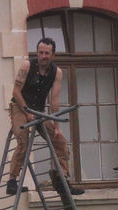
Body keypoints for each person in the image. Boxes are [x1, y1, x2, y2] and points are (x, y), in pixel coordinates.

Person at [7, 37, 84, 196]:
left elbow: (54, 100)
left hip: (38, 111)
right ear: (37, 52)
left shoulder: (57, 72)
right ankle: (12, 181)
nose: (43, 56)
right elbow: (15, 92)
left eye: (47, 53)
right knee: (23, 140)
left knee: (60, 141)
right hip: (20, 106)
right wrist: (27, 111)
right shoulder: (27, 65)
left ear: (53, 54)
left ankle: (62, 179)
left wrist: (57, 128)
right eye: (41, 52)